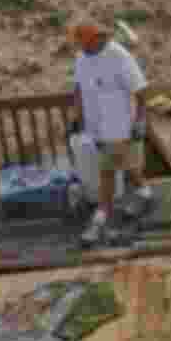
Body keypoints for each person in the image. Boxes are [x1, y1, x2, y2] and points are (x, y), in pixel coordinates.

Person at [70, 20, 155, 246]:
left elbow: (141, 91)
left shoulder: (119, 57)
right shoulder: (81, 59)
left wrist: (140, 121)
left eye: (86, 44)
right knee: (126, 164)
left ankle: (101, 217)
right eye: (81, 45)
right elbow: (78, 89)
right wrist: (77, 117)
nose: (83, 49)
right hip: (95, 126)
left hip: (119, 124)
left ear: (98, 38)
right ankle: (145, 192)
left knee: (106, 171)